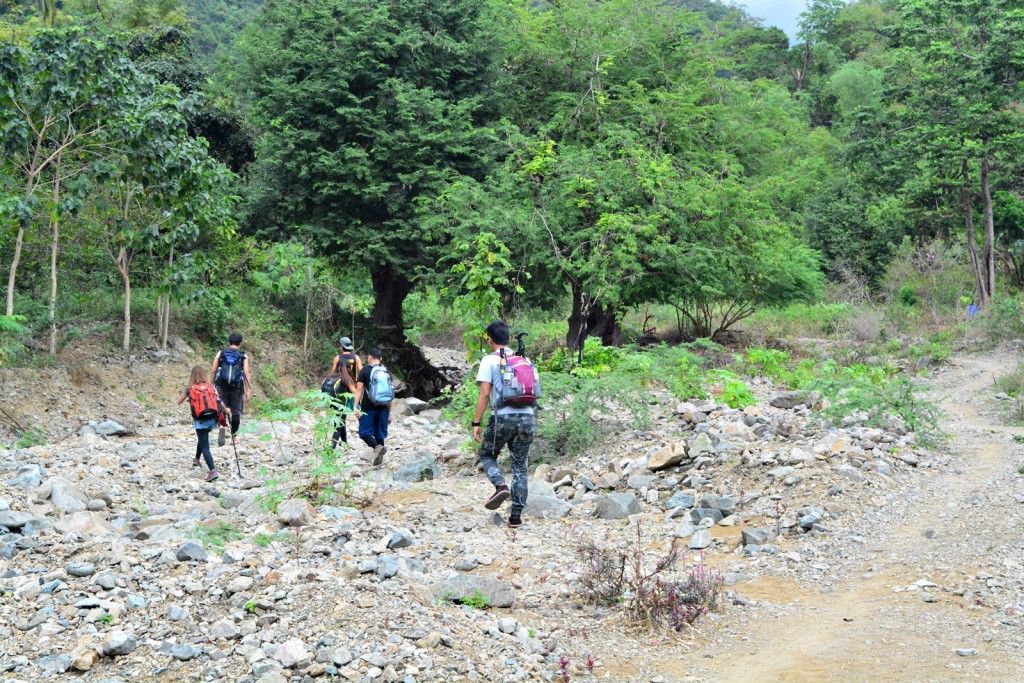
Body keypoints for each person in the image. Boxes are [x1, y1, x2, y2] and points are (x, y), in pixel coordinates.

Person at [472, 320, 538, 529]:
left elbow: (484, 394)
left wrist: (476, 422)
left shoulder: (489, 360)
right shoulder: (524, 359)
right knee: (520, 466)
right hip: (527, 417)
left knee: (487, 454)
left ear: (489, 339)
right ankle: (516, 517)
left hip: (502, 417)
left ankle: (500, 485)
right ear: (509, 338)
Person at [177, 365, 230, 482]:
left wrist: (188, 396)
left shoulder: (190, 388)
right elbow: (219, 402)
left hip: (200, 420)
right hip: (213, 419)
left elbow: (179, 402)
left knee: (205, 445)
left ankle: (212, 471)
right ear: (203, 374)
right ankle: (196, 459)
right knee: (202, 439)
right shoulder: (211, 387)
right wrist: (227, 411)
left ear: (193, 376)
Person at [209, 332, 251, 445]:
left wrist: (211, 386)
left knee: (222, 407)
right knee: (236, 411)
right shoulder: (243, 355)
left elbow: (213, 370)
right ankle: (234, 437)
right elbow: (246, 374)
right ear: (240, 343)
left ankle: (222, 427)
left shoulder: (221, 353)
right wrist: (248, 390)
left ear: (229, 342)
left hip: (221, 385)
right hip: (237, 387)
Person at [352, 347, 392, 466]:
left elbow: (359, 389)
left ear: (369, 357)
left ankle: (376, 448)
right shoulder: (386, 372)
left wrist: (355, 407)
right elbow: (389, 393)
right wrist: (389, 412)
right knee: (380, 434)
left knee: (364, 433)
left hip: (369, 406)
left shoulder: (364, 371)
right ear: (380, 359)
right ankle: (379, 461)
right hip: (384, 407)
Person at [322, 363, 357, 448]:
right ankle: (332, 448)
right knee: (338, 426)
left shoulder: (330, 377)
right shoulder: (346, 378)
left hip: (331, 403)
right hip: (340, 404)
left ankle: (345, 444)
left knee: (341, 423)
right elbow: (355, 392)